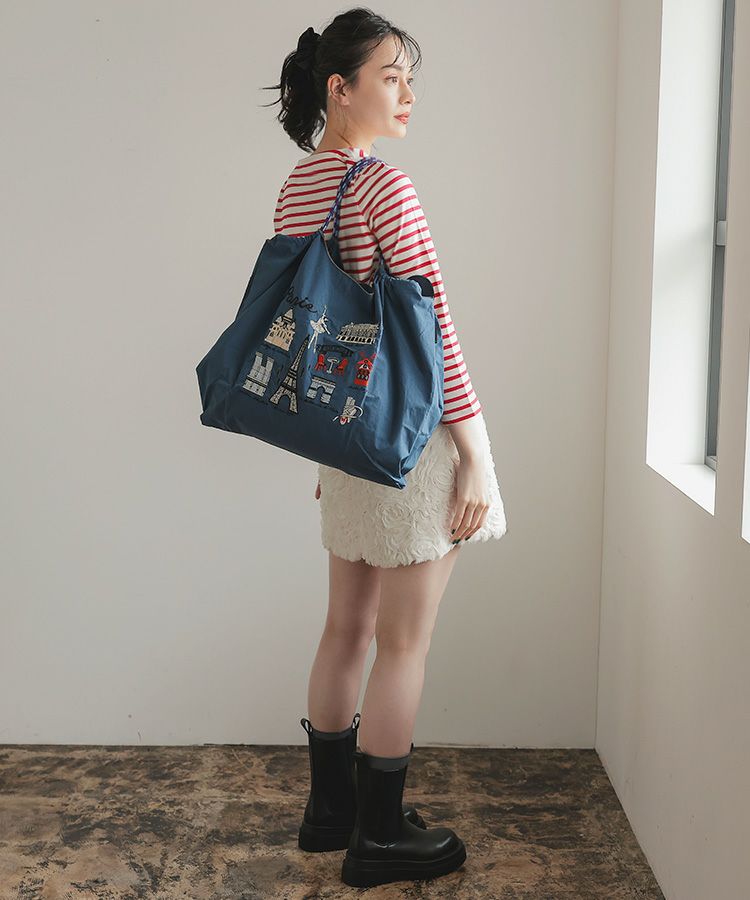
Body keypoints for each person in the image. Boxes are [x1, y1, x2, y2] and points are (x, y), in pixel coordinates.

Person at [262, 7, 507, 888]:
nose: (407, 95)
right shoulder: (385, 188)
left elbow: (313, 332)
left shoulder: (300, 185)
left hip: (344, 441)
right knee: (404, 645)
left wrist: (327, 453)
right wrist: (475, 454)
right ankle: (379, 837)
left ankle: (329, 813)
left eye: (410, 79)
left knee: (346, 629)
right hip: (410, 440)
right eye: (391, 77)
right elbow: (433, 332)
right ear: (342, 87)